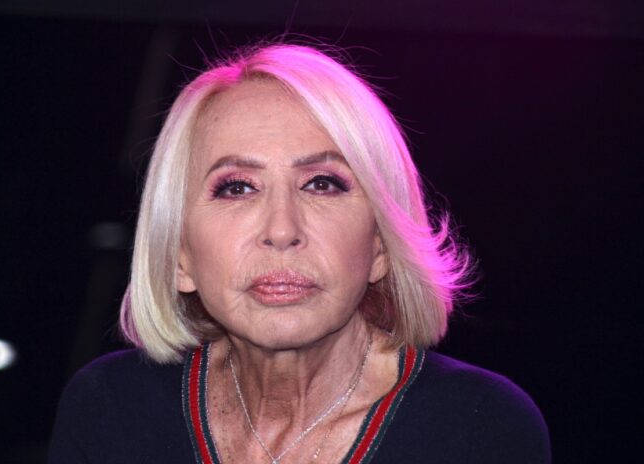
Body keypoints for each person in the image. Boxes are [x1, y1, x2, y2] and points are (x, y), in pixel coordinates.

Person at [48, 43, 550, 463]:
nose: (282, 230)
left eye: (321, 184)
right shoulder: (108, 408)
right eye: (237, 188)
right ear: (179, 254)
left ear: (381, 244)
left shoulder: (480, 428)